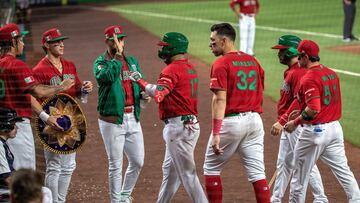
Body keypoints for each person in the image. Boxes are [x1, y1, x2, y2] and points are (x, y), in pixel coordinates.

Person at [130, 32, 208, 203]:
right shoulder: (190, 67)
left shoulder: (171, 69)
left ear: (173, 48)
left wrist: (140, 81)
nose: (162, 49)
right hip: (189, 124)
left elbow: (158, 94)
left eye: (164, 46)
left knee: (188, 174)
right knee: (170, 172)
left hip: (178, 128)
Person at [284, 40, 360, 202]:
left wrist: (295, 123)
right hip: (335, 130)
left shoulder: (309, 77)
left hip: (315, 132)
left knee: (299, 175)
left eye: (299, 56)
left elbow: (314, 109)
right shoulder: (331, 73)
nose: (297, 60)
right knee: (343, 171)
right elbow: (317, 102)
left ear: (305, 56)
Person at [203, 22, 269, 203]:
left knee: (211, 168)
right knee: (257, 173)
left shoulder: (221, 63)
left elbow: (219, 99)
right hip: (255, 121)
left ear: (224, 41)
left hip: (231, 122)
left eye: (213, 41)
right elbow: (260, 92)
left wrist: (216, 133)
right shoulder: (253, 61)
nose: (210, 44)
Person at [0, 23, 75, 171]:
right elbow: (38, 91)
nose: (22, 43)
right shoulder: (17, 65)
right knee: (24, 175)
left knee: (6, 174)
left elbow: (26, 95)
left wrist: (45, 117)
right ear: (13, 42)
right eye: (20, 40)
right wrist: (61, 86)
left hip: (2, 129)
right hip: (17, 128)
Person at [31, 28, 93, 203]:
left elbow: (77, 91)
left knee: (69, 166)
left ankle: (60, 200)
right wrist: (45, 118)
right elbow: (34, 98)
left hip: (70, 122)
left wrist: (84, 89)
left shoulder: (70, 65)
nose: (61, 44)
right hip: (51, 123)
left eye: (62, 41)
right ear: (46, 45)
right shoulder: (39, 69)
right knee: (54, 166)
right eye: (56, 42)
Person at [93, 25, 148, 203]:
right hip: (112, 120)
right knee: (116, 165)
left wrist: (143, 95)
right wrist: (117, 57)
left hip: (133, 117)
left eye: (121, 39)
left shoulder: (132, 61)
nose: (119, 43)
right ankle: (116, 201)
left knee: (138, 161)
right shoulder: (100, 62)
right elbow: (106, 78)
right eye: (115, 40)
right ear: (107, 41)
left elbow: (137, 81)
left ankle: (124, 194)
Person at [270, 35, 328, 203]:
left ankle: (320, 198)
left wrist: (283, 121)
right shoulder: (291, 71)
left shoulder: (300, 73)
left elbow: (301, 103)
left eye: (281, 51)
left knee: (304, 164)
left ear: (290, 51)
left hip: (296, 126)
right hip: (288, 125)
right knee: (283, 163)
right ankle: (275, 198)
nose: (279, 54)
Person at [0, 108, 53, 203]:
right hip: (2, 191)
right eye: (14, 125)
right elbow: (6, 178)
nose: (17, 128)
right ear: (5, 126)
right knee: (44, 193)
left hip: (5, 189)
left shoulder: (3, 144)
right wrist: (27, 189)